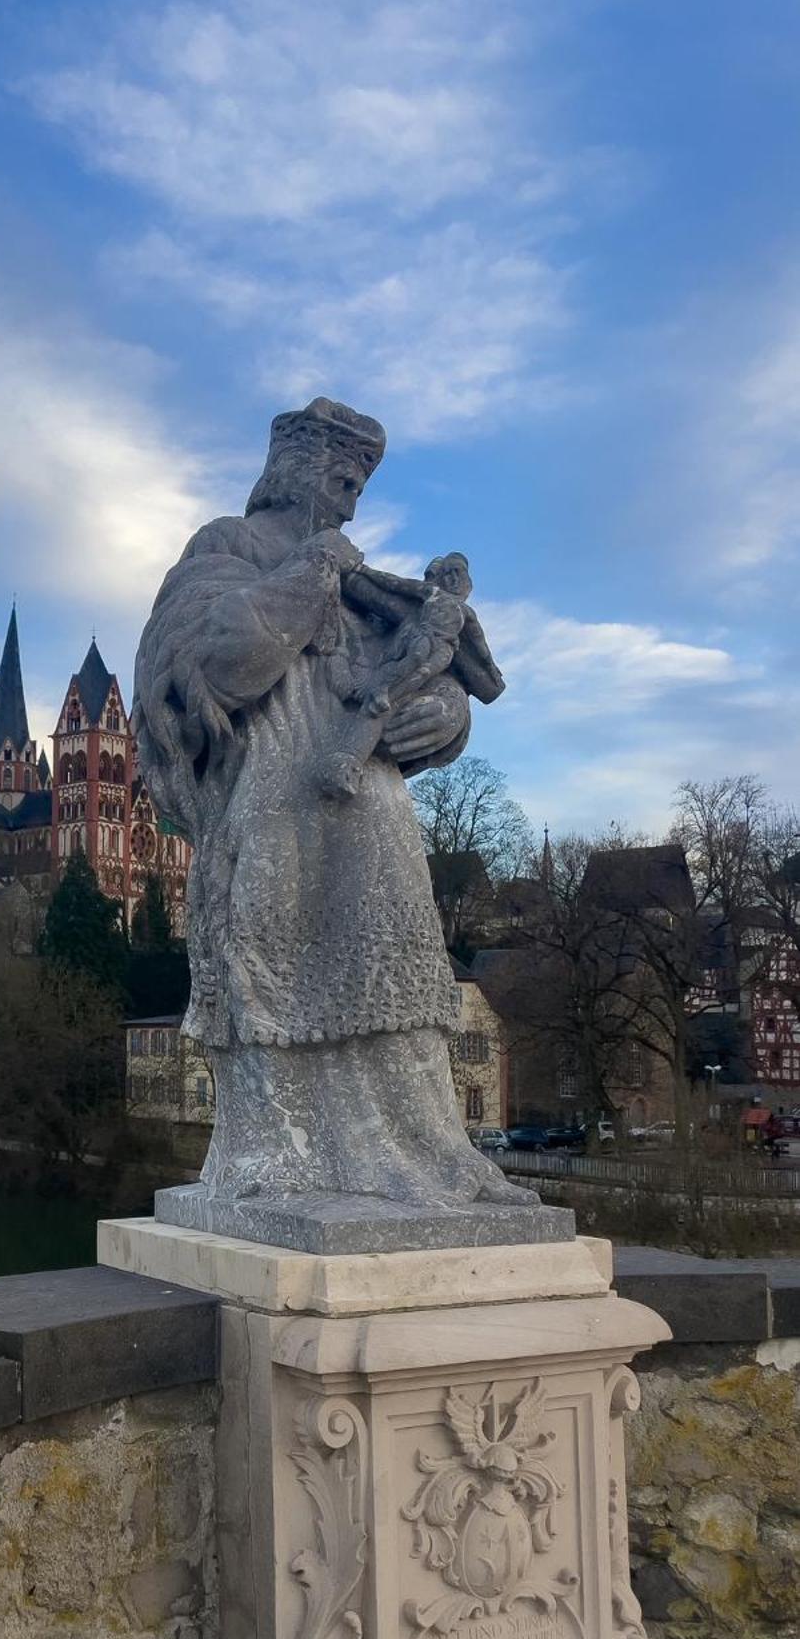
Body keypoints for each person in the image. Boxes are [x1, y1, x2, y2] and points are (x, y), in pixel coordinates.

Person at [134, 398, 532, 1211]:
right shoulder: (227, 547)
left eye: (360, 484)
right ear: (293, 470)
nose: (352, 497)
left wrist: (445, 720)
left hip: (373, 809)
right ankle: (280, 1157)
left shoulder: (369, 587)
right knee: (277, 973)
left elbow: (428, 674)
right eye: (341, 478)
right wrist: (308, 575)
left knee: (396, 971)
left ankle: (428, 1153)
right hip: (276, 807)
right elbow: (208, 670)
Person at [318, 553, 474, 801]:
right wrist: (357, 569)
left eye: (459, 573)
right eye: (439, 574)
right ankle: (347, 760)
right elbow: (385, 586)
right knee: (384, 696)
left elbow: (482, 674)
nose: (450, 580)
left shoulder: (461, 616)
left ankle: (349, 760)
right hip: (326, 713)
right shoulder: (414, 603)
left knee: (392, 693)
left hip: (429, 656)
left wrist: (455, 708)